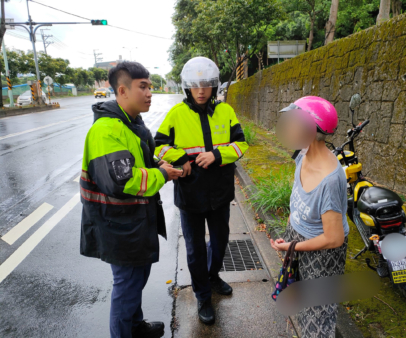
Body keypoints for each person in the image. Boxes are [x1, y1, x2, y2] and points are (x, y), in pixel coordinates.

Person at [79, 61, 183, 338]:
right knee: (126, 286)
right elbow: (121, 180)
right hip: (119, 225)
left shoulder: (132, 124)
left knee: (135, 281)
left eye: (149, 86)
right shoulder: (106, 130)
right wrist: (161, 173)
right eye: (143, 86)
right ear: (122, 91)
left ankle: (136, 327)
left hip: (133, 222)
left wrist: (161, 164)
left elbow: (141, 162)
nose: (150, 93)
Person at [154, 57, 248, 325]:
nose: (201, 89)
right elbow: (158, 146)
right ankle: (202, 295)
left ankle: (213, 274)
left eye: (206, 84)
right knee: (194, 249)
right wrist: (181, 158)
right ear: (187, 87)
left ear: (214, 86)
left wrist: (217, 155)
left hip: (220, 192)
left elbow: (242, 144)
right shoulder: (176, 115)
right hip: (190, 194)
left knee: (219, 242)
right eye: (195, 85)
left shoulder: (226, 112)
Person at [270, 96, 349, 338]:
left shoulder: (331, 180)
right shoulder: (302, 155)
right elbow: (298, 198)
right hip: (298, 238)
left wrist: (294, 245)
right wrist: (290, 231)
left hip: (322, 254)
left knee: (318, 319)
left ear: (309, 128)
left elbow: (333, 238)